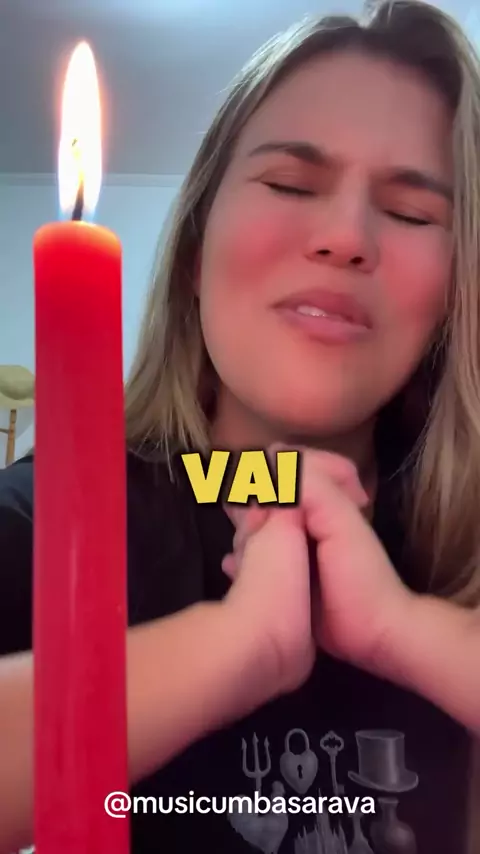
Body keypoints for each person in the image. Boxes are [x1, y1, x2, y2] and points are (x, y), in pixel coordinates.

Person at [1, 0, 480, 851]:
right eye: (291, 185)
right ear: (194, 253)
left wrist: (406, 632)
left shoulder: (461, 541)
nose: (345, 237)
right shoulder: (48, 512)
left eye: (412, 212)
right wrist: (235, 649)